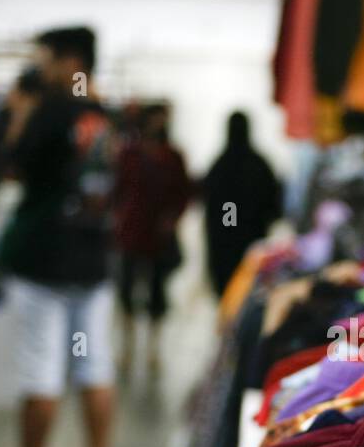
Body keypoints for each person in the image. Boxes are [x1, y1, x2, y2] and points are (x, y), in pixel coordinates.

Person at [0, 26, 116, 447]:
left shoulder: (51, 111)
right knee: (95, 366)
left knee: (40, 369)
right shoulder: (105, 115)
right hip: (93, 260)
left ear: (68, 60)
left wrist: (18, 117)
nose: (41, 66)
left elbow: (11, 163)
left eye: (46, 56)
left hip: (44, 261)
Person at [113, 103, 191, 373]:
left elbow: (183, 193)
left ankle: (153, 351)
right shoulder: (130, 154)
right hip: (132, 234)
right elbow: (118, 189)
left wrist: (172, 219)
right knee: (126, 292)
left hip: (159, 237)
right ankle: (127, 348)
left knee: (157, 294)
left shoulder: (173, 156)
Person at [202, 111, 281, 297]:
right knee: (247, 289)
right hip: (251, 238)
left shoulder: (220, 165)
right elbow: (273, 203)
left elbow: (210, 204)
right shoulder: (259, 164)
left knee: (227, 286)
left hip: (223, 240)